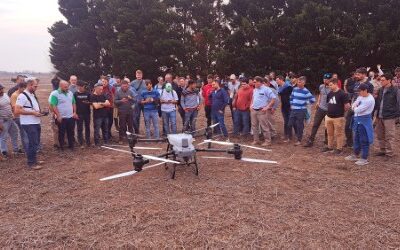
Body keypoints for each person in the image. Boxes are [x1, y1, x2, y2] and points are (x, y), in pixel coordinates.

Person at [14, 78, 44, 170]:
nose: (36, 87)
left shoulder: (32, 95)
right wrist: (33, 113)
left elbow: (31, 108)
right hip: (29, 123)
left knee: (36, 142)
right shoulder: (22, 96)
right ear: (29, 85)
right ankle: (31, 163)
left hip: (35, 122)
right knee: (32, 143)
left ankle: (34, 160)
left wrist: (41, 112)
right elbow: (17, 110)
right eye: (35, 86)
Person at [345, 84, 375, 166]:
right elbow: (354, 103)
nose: (359, 93)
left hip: (364, 121)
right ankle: (355, 154)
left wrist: (355, 108)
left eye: (360, 91)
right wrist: (355, 107)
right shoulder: (361, 96)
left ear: (365, 90)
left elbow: (358, 109)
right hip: (357, 119)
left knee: (364, 140)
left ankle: (364, 158)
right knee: (356, 138)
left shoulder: (370, 100)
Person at [345, 67, 374, 147]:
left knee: (360, 128)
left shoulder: (369, 85)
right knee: (347, 126)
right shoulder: (356, 83)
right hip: (353, 108)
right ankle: (349, 142)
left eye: (358, 74)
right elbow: (353, 94)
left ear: (364, 75)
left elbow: (369, 98)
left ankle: (361, 145)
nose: (356, 76)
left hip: (362, 110)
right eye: (356, 74)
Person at [374, 73, 400, 157]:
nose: (381, 82)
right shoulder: (381, 90)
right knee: (380, 134)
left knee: (389, 135)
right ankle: (382, 150)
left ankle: (389, 153)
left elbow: (399, 103)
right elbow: (378, 102)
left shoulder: (396, 90)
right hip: (380, 115)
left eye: (383, 80)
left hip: (390, 116)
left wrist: (396, 115)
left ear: (389, 80)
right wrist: (376, 114)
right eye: (380, 80)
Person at [323, 78, 350, 154]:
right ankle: (329, 147)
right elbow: (328, 103)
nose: (329, 87)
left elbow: (347, 106)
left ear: (336, 84)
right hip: (329, 117)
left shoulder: (342, 94)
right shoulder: (330, 93)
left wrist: (341, 113)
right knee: (329, 133)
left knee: (339, 134)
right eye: (329, 85)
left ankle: (339, 148)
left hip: (338, 117)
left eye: (331, 85)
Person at [304, 73, 331, 147]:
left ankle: (327, 141)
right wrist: (318, 102)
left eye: (327, 79)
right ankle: (311, 141)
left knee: (327, 126)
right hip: (320, 109)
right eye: (324, 79)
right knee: (315, 124)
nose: (325, 80)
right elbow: (321, 94)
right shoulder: (321, 86)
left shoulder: (332, 88)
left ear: (330, 80)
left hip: (329, 110)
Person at [49, 80, 78, 150]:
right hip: (61, 118)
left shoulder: (70, 93)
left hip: (70, 117)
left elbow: (73, 103)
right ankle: (62, 146)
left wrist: (74, 112)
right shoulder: (55, 94)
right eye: (65, 87)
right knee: (61, 132)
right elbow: (54, 105)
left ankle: (71, 146)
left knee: (70, 132)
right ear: (60, 86)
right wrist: (58, 115)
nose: (67, 88)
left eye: (67, 86)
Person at [288, 76, 316, 146]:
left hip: (301, 110)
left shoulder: (306, 91)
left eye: (300, 82)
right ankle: (290, 137)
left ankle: (299, 140)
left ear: (304, 83)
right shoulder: (294, 89)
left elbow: (313, 100)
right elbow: (291, 97)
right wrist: (291, 104)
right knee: (289, 124)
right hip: (293, 109)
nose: (298, 83)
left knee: (299, 125)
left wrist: (306, 103)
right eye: (298, 82)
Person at [250, 76, 277, 147]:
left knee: (264, 126)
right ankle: (256, 140)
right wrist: (251, 105)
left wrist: (267, 107)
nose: (254, 83)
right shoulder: (255, 89)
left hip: (262, 111)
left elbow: (273, 98)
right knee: (254, 126)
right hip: (254, 110)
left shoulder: (266, 89)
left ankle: (268, 141)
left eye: (255, 82)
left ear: (259, 82)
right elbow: (253, 97)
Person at [0, 84, 21, 157]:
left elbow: (10, 105)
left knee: (15, 133)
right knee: (3, 136)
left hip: (10, 118)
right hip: (3, 120)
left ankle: (16, 149)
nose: (2, 90)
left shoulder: (5, 95)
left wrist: (13, 113)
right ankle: (4, 151)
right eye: (0, 89)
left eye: (2, 89)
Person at [10, 82, 29, 152]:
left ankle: (25, 147)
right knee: (24, 132)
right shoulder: (14, 95)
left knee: (24, 132)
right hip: (18, 117)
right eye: (23, 88)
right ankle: (26, 148)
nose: (24, 90)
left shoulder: (22, 94)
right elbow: (14, 107)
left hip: (23, 115)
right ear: (19, 87)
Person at [91, 82, 111, 146]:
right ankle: (97, 143)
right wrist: (104, 104)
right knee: (97, 130)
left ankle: (106, 142)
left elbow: (108, 104)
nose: (101, 90)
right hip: (97, 117)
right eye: (100, 89)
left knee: (105, 130)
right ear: (95, 89)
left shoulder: (103, 95)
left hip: (105, 115)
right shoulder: (92, 96)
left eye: (102, 89)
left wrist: (100, 104)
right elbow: (96, 106)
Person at [74, 80, 91, 148]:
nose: (81, 88)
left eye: (82, 86)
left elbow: (91, 102)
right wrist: (75, 113)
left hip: (87, 113)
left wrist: (88, 103)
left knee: (87, 127)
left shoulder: (88, 93)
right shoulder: (75, 94)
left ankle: (88, 141)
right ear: (77, 86)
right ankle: (81, 142)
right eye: (79, 86)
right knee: (79, 128)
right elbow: (73, 104)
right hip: (79, 114)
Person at [277, 75, 293, 142]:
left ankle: (289, 136)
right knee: (285, 121)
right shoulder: (280, 87)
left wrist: (292, 104)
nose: (276, 82)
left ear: (281, 80)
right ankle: (286, 134)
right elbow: (280, 95)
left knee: (289, 121)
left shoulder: (289, 86)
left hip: (289, 106)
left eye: (277, 80)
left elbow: (292, 95)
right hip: (283, 106)